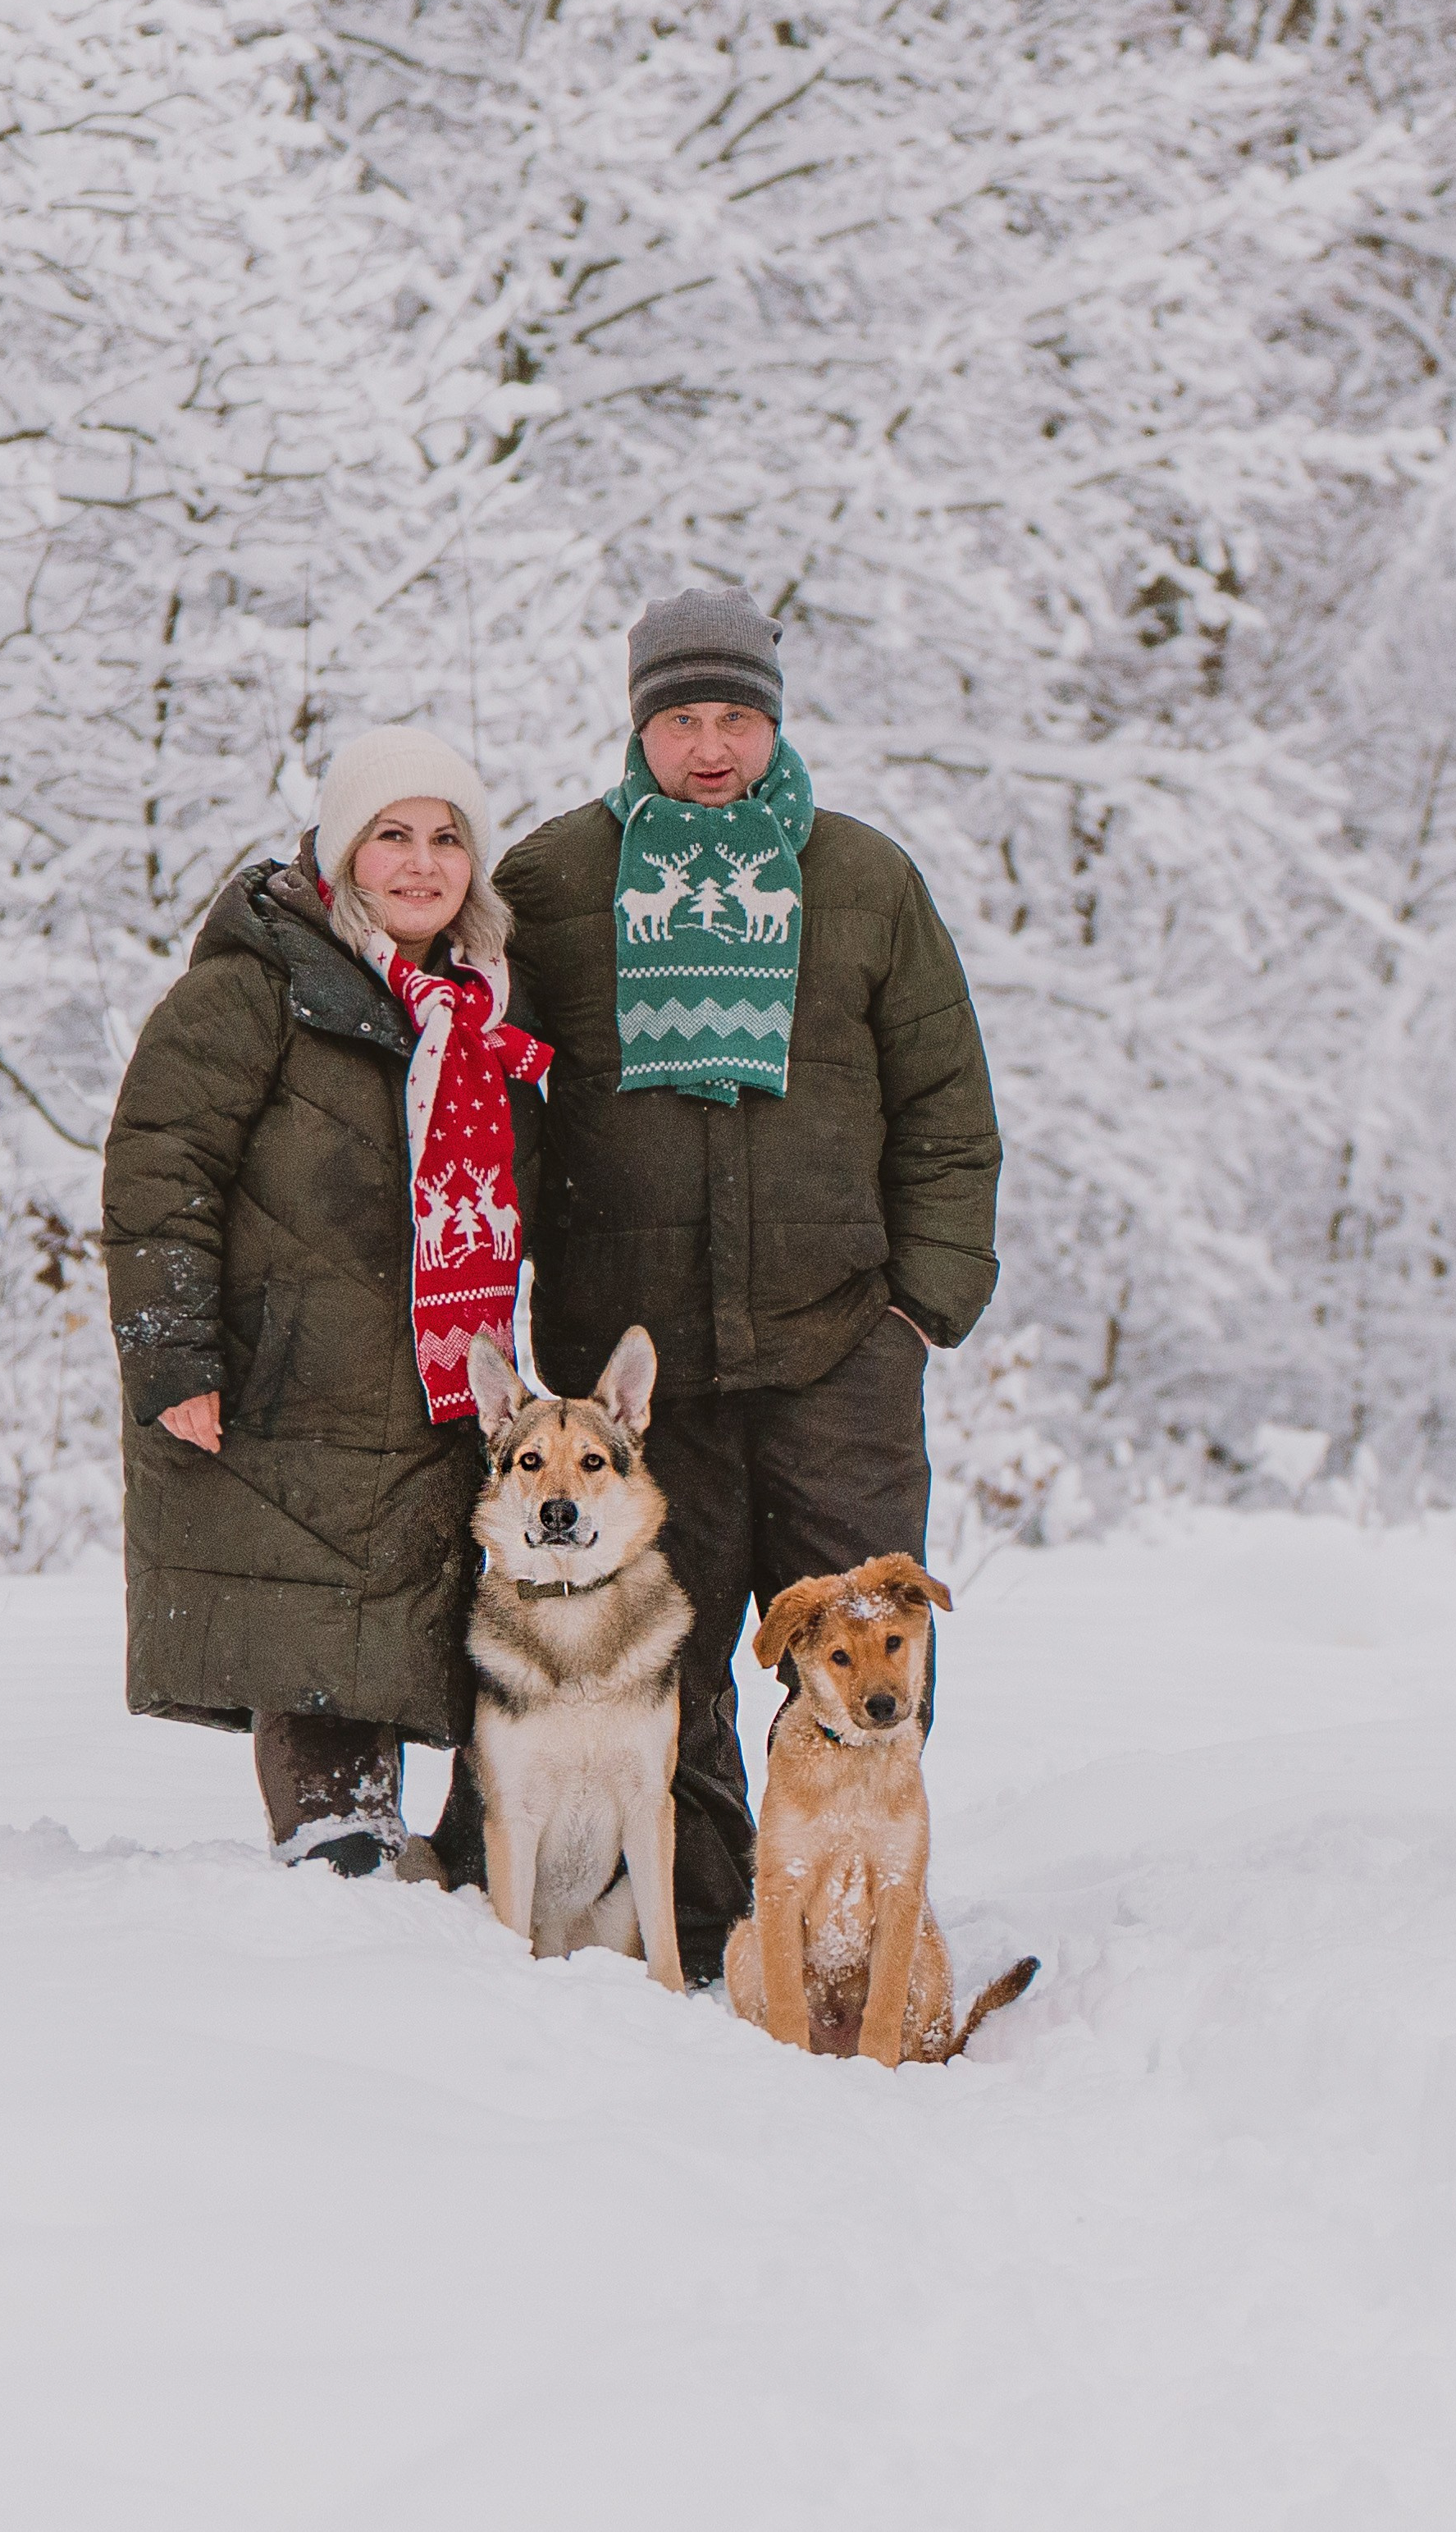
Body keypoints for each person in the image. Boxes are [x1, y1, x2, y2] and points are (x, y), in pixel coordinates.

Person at [495, 587, 1002, 1980]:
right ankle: (723, 1929)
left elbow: (948, 1104)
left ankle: (861, 1929)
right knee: (671, 1654)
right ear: (638, 725)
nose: (710, 747)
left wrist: (919, 1310)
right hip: (639, 1379)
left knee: (859, 1651)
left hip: (843, 1341)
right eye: (680, 719)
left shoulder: (863, 881)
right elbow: (490, 1113)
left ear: (773, 720)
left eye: (736, 716)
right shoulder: (551, 885)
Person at [102, 728, 550, 1877]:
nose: (420, 861)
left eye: (447, 837)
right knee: (319, 1661)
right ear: (343, 852)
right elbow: (161, 1171)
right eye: (390, 834)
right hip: (283, 1396)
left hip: (434, 1396)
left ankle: (418, 1879)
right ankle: (333, 1893)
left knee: (411, 1641)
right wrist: (173, 1358)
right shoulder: (255, 989)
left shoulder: (480, 1011)